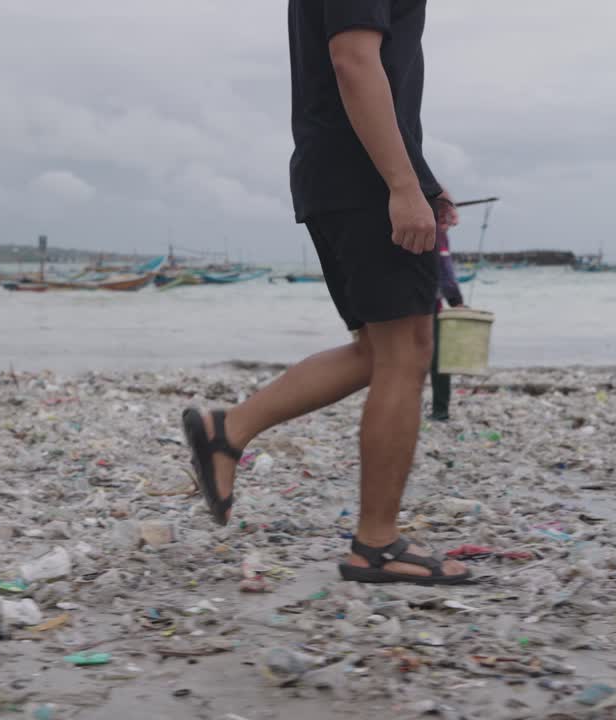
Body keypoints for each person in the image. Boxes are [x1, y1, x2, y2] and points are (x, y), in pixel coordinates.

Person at [182, 0, 471, 587]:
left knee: (380, 351)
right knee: (406, 352)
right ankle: (377, 543)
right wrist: (399, 184)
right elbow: (353, 62)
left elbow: (369, 67)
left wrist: (421, 179)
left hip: (350, 171)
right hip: (361, 175)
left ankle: (227, 430)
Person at [429, 220, 464, 422]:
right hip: (429, 305)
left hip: (403, 301)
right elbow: (444, 270)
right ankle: (440, 410)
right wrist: (456, 300)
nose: (454, 222)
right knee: (440, 359)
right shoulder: (437, 233)